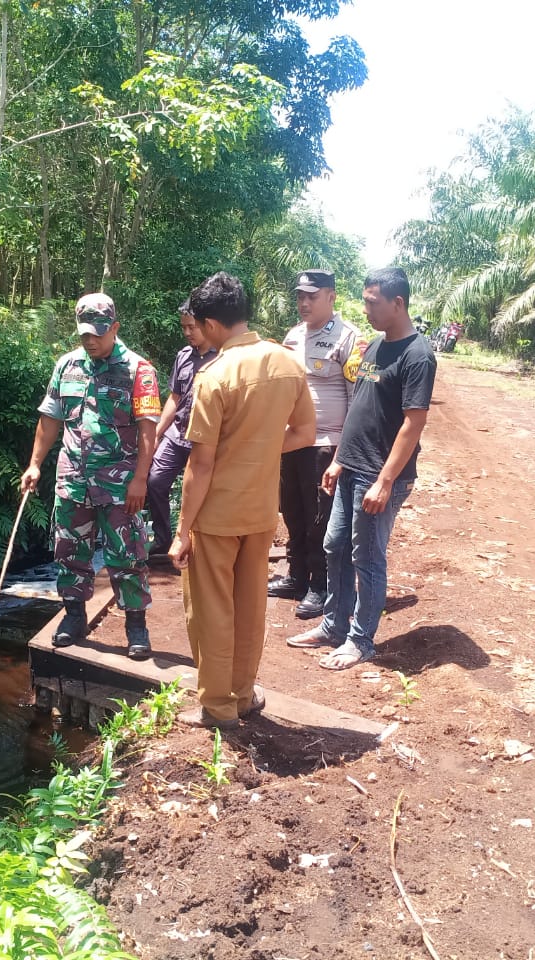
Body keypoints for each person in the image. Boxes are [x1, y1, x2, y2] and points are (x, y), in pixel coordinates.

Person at [169, 272, 316, 729]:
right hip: (260, 509)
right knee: (251, 605)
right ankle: (245, 694)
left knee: (212, 611)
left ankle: (217, 707)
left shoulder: (215, 376)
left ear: (211, 324)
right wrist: (260, 446)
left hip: (216, 515)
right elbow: (306, 433)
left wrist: (180, 532)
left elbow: (201, 465)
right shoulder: (286, 362)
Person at [288, 267, 436, 670]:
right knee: (335, 544)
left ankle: (361, 640)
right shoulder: (373, 347)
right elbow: (360, 407)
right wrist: (338, 459)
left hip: (379, 475)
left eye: (372, 302)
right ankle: (334, 625)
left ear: (397, 303)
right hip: (352, 466)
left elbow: (413, 422)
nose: (365, 308)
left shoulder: (417, 355)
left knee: (367, 556)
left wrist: (385, 482)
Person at [20, 293, 161, 660]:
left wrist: (141, 479)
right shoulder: (67, 366)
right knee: (69, 551)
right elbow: (50, 419)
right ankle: (73, 617)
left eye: (99, 332)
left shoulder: (138, 370)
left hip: (120, 484)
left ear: (115, 327)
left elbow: (148, 429)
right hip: (72, 479)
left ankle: (136, 626)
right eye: (85, 333)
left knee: (127, 555)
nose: (91, 340)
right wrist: (35, 463)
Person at [268, 268, 360, 620]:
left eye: (312, 296)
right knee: (291, 509)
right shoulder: (293, 336)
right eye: (300, 296)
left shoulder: (348, 337)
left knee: (319, 515)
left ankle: (320, 586)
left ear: (331, 297)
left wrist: (344, 451)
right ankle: (295, 576)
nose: (304, 303)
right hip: (291, 439)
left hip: (326, 442)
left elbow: (357, 398)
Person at [146, 302, 217, 563]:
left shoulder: (222, 357)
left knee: (203, 489)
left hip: (205, 438)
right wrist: (156, 433)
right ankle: (162, 539)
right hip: (177, 434)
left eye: (192, 327)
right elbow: (174, 397)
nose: (187, 332)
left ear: (207, 325)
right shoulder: (183, 356)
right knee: (155, 481)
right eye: (184, 327)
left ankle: (195, 540)